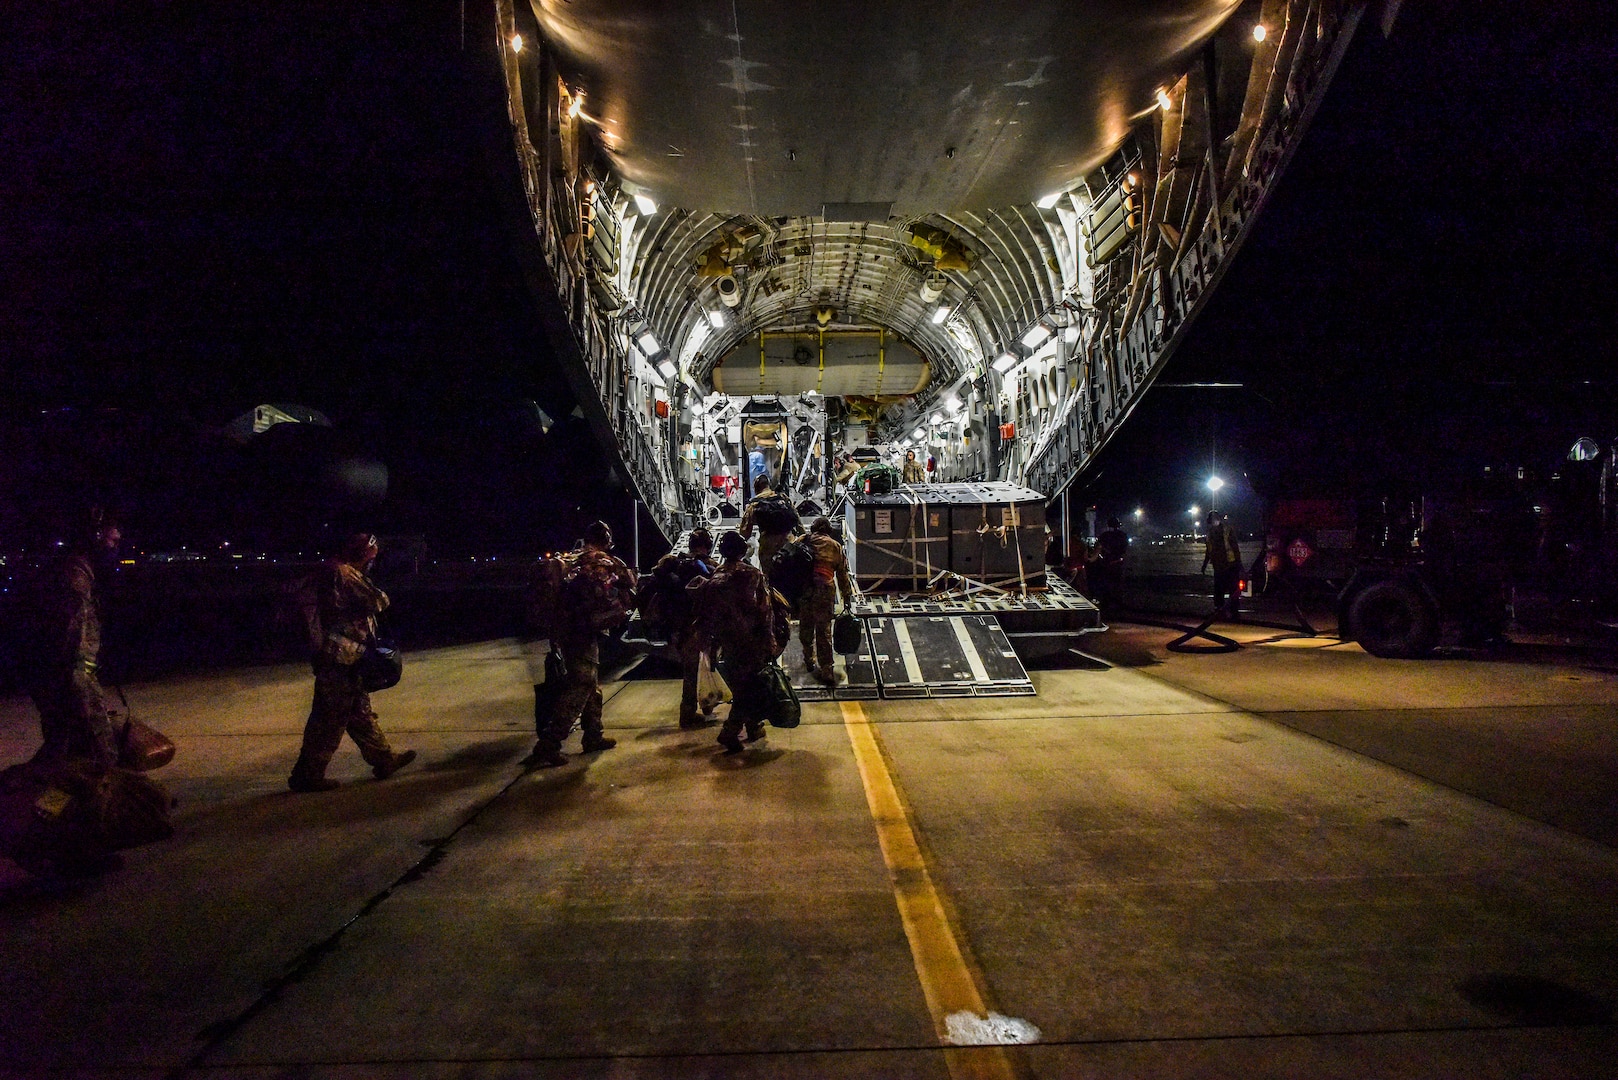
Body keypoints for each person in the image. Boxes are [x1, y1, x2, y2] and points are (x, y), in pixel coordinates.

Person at [288, 532, 417, 792]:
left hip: (344, 656)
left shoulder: (330, 570)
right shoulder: (344, 573)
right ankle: (307, 775)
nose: (372, 563)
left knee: (359, 713)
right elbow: (378, 600)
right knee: (329, 717)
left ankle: (383, 759)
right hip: (340, 657)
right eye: (371, 558)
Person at [22, 510, 124, 773]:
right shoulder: (74, 580)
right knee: (101, 755)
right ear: (96, 539)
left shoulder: (77, 572)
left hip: (58, 678)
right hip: (67, 679)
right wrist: (87, 692)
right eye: (112, 542)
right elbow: (70, 649)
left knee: (62, 749)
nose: (115, 547)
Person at [534, 521, 637, 766]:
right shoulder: (603, 560)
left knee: (591, 682)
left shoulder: (570, 558)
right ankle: (549, 743)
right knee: (582, 684)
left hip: (565, 629)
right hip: (584, 629)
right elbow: (630, 581)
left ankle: (593, 735)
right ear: (606, 538)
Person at [690, 530, 778, 753]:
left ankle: (754, 727)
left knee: (742, 685)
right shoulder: (752, 574)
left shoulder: (714, 577)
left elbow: (707, 614)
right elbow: (765, 611)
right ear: (742, 551)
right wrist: (770, 641)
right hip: (750, 641)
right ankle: (730, 731)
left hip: (726, 642)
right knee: (750, 688)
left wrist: (708, 645)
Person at [643, 528, 717, 728]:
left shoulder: (673, 563)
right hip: (699, 628)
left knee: (693, 669)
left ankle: (705, 706)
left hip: (677, 627)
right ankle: (689, 714)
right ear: (708, 546)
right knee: (699, 670)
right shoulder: (708, 566)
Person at [797, 517, 854, 684]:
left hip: (805, 589)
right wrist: (847, 597)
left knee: (806, 625)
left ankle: (808, 659)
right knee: (823, 630)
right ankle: (826, 668)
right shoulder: (835, 546)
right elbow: (843, 576)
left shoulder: (803, 540)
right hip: (825, 590)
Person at [739, 481, 800, 572]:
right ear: (769, 486)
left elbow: (744, 532)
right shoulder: (783, 498)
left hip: (768, 545)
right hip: (788, 541)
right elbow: (797, 520)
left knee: (769, 575)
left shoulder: (754, 504)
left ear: (755, 489)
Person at [1201, 511, 1243, 619]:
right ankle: (1220, 610)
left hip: (1230, 565)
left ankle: (1233, 611)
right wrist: (1205, 564)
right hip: (1219, 566)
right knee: (1219, 589)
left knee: (1232, 589)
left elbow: (1235, 547)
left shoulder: (1226, 531)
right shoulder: (1210, 533)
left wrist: (1239, 563)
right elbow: (1209, 550)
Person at [1093, 517, 1129, 616]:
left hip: (1106, 563)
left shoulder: (1104, 536)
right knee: (1117, 585)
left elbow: (1098, 547)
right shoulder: (1122, 535)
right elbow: (1125, 549)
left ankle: (1106, 606)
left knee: (1106, 585)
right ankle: (1118, 606)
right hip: (1118, 563)